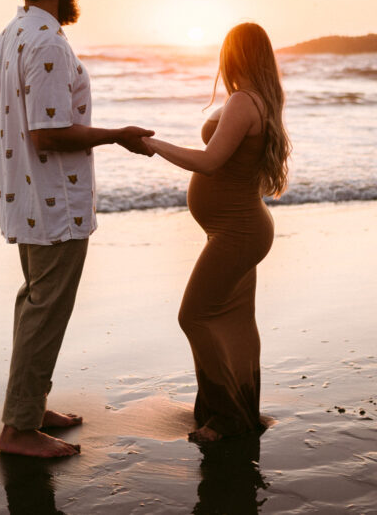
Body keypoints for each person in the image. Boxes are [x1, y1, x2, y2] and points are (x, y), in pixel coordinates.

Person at [0, 0, 153, 458]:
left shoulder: (8, 36)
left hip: (26, 196)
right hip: (54, 201)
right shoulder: (48, 42)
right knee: (45, 310)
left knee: (33, 304)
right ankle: (17, 430)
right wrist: (117, 135)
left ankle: (28, 410)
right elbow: (47, 133)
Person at [143, 22, 290, 442]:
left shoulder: (245, 101)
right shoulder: (259, 99)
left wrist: (155, 145)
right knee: (238, 320)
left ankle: (225, 416)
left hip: (238, 232)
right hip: (240, 229)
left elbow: (208, 162)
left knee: (194, 315)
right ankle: (239, 407)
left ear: (235, 55)